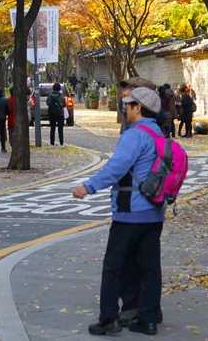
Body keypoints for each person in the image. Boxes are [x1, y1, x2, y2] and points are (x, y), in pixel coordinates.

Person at [74, 87, 166, 336]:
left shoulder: (134, 135)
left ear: (139, 108)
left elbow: (116, 167)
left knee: (113, 266)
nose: (124, 108)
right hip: (154, 210)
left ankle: (109, 318)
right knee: (148, 266)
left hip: (130, 210)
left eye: (127, 104)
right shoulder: (158, 132)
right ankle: (147, 319)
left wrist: (88, 187)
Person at [47, 82, 66, 148]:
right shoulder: (61, 96)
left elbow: (48, 103)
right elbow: (64, 105)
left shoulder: (50, 95)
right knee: (60, 129)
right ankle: (61, 144)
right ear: (59, 88)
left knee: (52, 129)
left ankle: (52, 144)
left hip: (52, 114)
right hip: (60, 114)